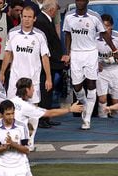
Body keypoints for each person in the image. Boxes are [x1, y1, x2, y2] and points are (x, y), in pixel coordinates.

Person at [63, 0, 118, 130]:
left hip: (90, 53)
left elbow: (104, 34)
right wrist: (68, 53)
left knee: (91, 84)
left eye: (82, 0)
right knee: (76, 86)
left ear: (87, 2)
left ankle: (87, 118)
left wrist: (114, 50)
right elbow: (67, 35)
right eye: (77, 0)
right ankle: (84, 104)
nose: (79, 2)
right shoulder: (69, 17)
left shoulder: (94, 16)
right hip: (76, 54)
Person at [0, 6, 52, 104]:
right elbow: (7, 53)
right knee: (13, 107)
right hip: (15, 78)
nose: (27, 19)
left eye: (29, 17)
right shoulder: (12, 33)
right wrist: (2, 73)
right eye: (24, 16)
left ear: (34, 18)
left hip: (33, 79)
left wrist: (48, 78)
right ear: (21, 17)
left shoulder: (40, 36)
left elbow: (45, 57)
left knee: (33, 111)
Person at [33, 0, 66, 128]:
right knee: (45, 91)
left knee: (48, 91)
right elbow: (46, 46)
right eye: (57, 8)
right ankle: (42, 119)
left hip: (53, 62)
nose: (57, 11)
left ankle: (46, 117)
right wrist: (59, 58)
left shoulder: (47, 20)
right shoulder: (41, 21)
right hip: (47, 63)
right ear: (52, 9)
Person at [96, 14, 118, 118]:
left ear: (111, 26)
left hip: (116, 70)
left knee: (115, 99)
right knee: (102, 99)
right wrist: (96, 63)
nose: (104, 29)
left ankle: (116, 121)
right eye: (102, 26)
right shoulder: (94, 37)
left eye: (106, 26)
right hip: (102, 71)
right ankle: (102, 120)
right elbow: (89, 53)